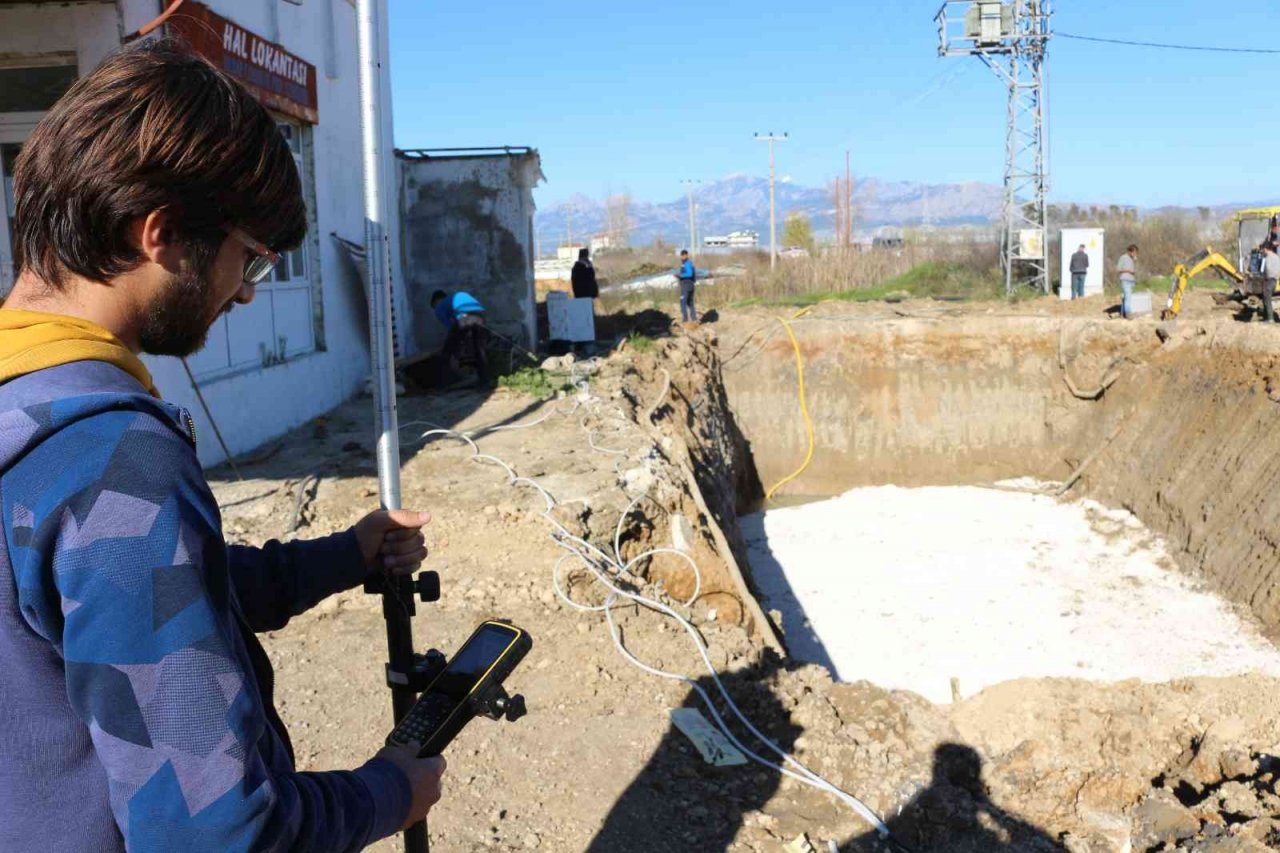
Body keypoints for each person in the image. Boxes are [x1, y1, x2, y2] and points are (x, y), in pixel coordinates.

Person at [0, 39, 445, 852]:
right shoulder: (113, 458)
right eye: (250, 258)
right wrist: (391, 790)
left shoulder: (21, 405)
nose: (244, 289)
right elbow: (217, 833)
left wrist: (343, 555)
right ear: (164, 235)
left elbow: (127, 597)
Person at [431, 288, 491, 388]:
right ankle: (485, 382)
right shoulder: (452, 299)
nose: (435, 309)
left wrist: (455, 343)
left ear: (436, 302)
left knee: (446, 353)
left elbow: (450, 326)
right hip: (480, 316)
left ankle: (444, 383)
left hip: (463, 318)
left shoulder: (439, 307)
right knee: (480, 351)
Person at [1116, 244, 1138, 318]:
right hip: (1125, 279)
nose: (1135, 254)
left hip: (1131, 280)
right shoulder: (1123, 257)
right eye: (1134, 252)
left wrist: (1134, 260)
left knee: (1125, 297)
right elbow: (1118, 269)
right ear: (1129, 251)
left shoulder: (1132, 259)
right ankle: (1128, 313)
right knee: (1128, 297)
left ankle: (1122, 314)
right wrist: (1128, 271)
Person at [677, 249, 697, 323]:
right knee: (690, 303)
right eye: (681, 256)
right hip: (691, 285)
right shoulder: (690, 263)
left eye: (682, 255)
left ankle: (685, 320)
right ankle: (694, 319)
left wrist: (680, 275)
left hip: (686, 285)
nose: (681, 257)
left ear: (685, 255)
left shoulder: (687, 264)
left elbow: (689, 274)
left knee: (683, 302)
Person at [1263, 243, 1280, 323]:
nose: (1263, 251)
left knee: (1267, 298)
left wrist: (1264, 277)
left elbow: (1268, 269)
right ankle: (1267, 318)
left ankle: (1270, 319)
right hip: (1275, 279)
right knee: (1266, 298)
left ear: (1266, 249)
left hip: (1269, 280)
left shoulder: (1268, 258)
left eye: (1263, 249)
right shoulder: (1277, 257)